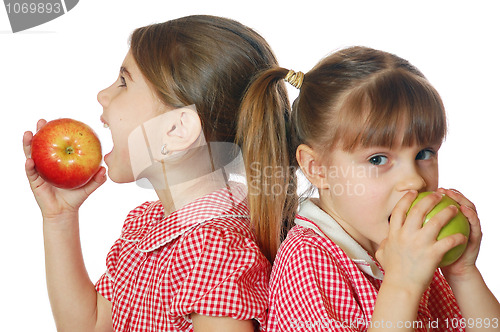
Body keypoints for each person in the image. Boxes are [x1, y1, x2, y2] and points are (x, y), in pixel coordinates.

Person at [23, 15, 288, 332]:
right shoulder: (148, 225)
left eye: (124, 83)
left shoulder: (212, 250)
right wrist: (59, 217)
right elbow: (91, 326)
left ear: (176, 129)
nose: (103, 95)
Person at [238, 46, 500, 331]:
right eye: (378, 159)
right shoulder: (308, 263)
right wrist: (403, 284)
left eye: (424, 153)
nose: (414, 180)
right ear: (317, 169)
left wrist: (462, 273)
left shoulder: (411, 246)